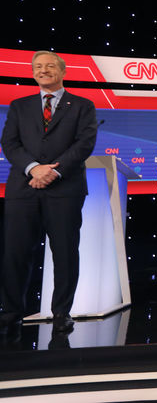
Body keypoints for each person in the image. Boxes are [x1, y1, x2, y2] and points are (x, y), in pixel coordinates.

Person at [0, 51, 97, 336]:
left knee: (65, 253)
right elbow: (10, 143)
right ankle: (11, 311)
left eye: (49, 66)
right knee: (15, 253)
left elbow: (85, 143)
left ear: (62, 70)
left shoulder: (82, 105)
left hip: (64, 189)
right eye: (38, 67)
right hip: (24, 189)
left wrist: (53, 171)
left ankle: (61, 313)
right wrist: (33, 169)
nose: (43, 70)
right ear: (32, 73)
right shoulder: (19, 106)